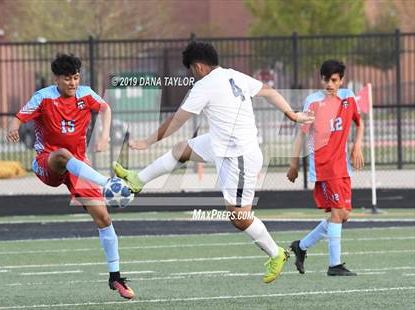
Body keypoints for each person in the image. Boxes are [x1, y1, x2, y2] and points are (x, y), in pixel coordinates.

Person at [113, 41, 314, 283]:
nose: (191, 75)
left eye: (190, 70)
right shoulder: (233, 75)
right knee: (181, 150)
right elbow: (270, 92)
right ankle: (137, 180)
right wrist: (292, 114)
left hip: (238, 156)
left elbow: (177, 121)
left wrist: (147, 142)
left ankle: (277, 253)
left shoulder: (204, 85)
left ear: (197, 66)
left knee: (239, 218)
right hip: (222, 143)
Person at [6, 54, 135, 299]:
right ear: (57, 79)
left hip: (79, 167)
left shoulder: (86, 94)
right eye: (68, 79)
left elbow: (106, 109)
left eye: (76, 78)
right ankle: (108, 183)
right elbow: (18, 118)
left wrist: (104, 135)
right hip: (48, 162)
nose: (73, 83)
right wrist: (12, 127)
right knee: (63, 154)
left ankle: (115, 277)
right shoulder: (43, 97)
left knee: (104, 218)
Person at [287, 60, 364, 276]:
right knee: (338, 214)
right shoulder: (312, 102)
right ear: (320, 79)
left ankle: (300, 247)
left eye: (334, 80)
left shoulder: (349, 97)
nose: (329, 84)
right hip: (324, 167)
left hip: (343, 167)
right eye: (326, 79)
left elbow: (360, 123)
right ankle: (334, 265)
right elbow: (301, 133)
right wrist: (293, 164)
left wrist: (357, 145)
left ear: (341, 81)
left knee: (343, 215)